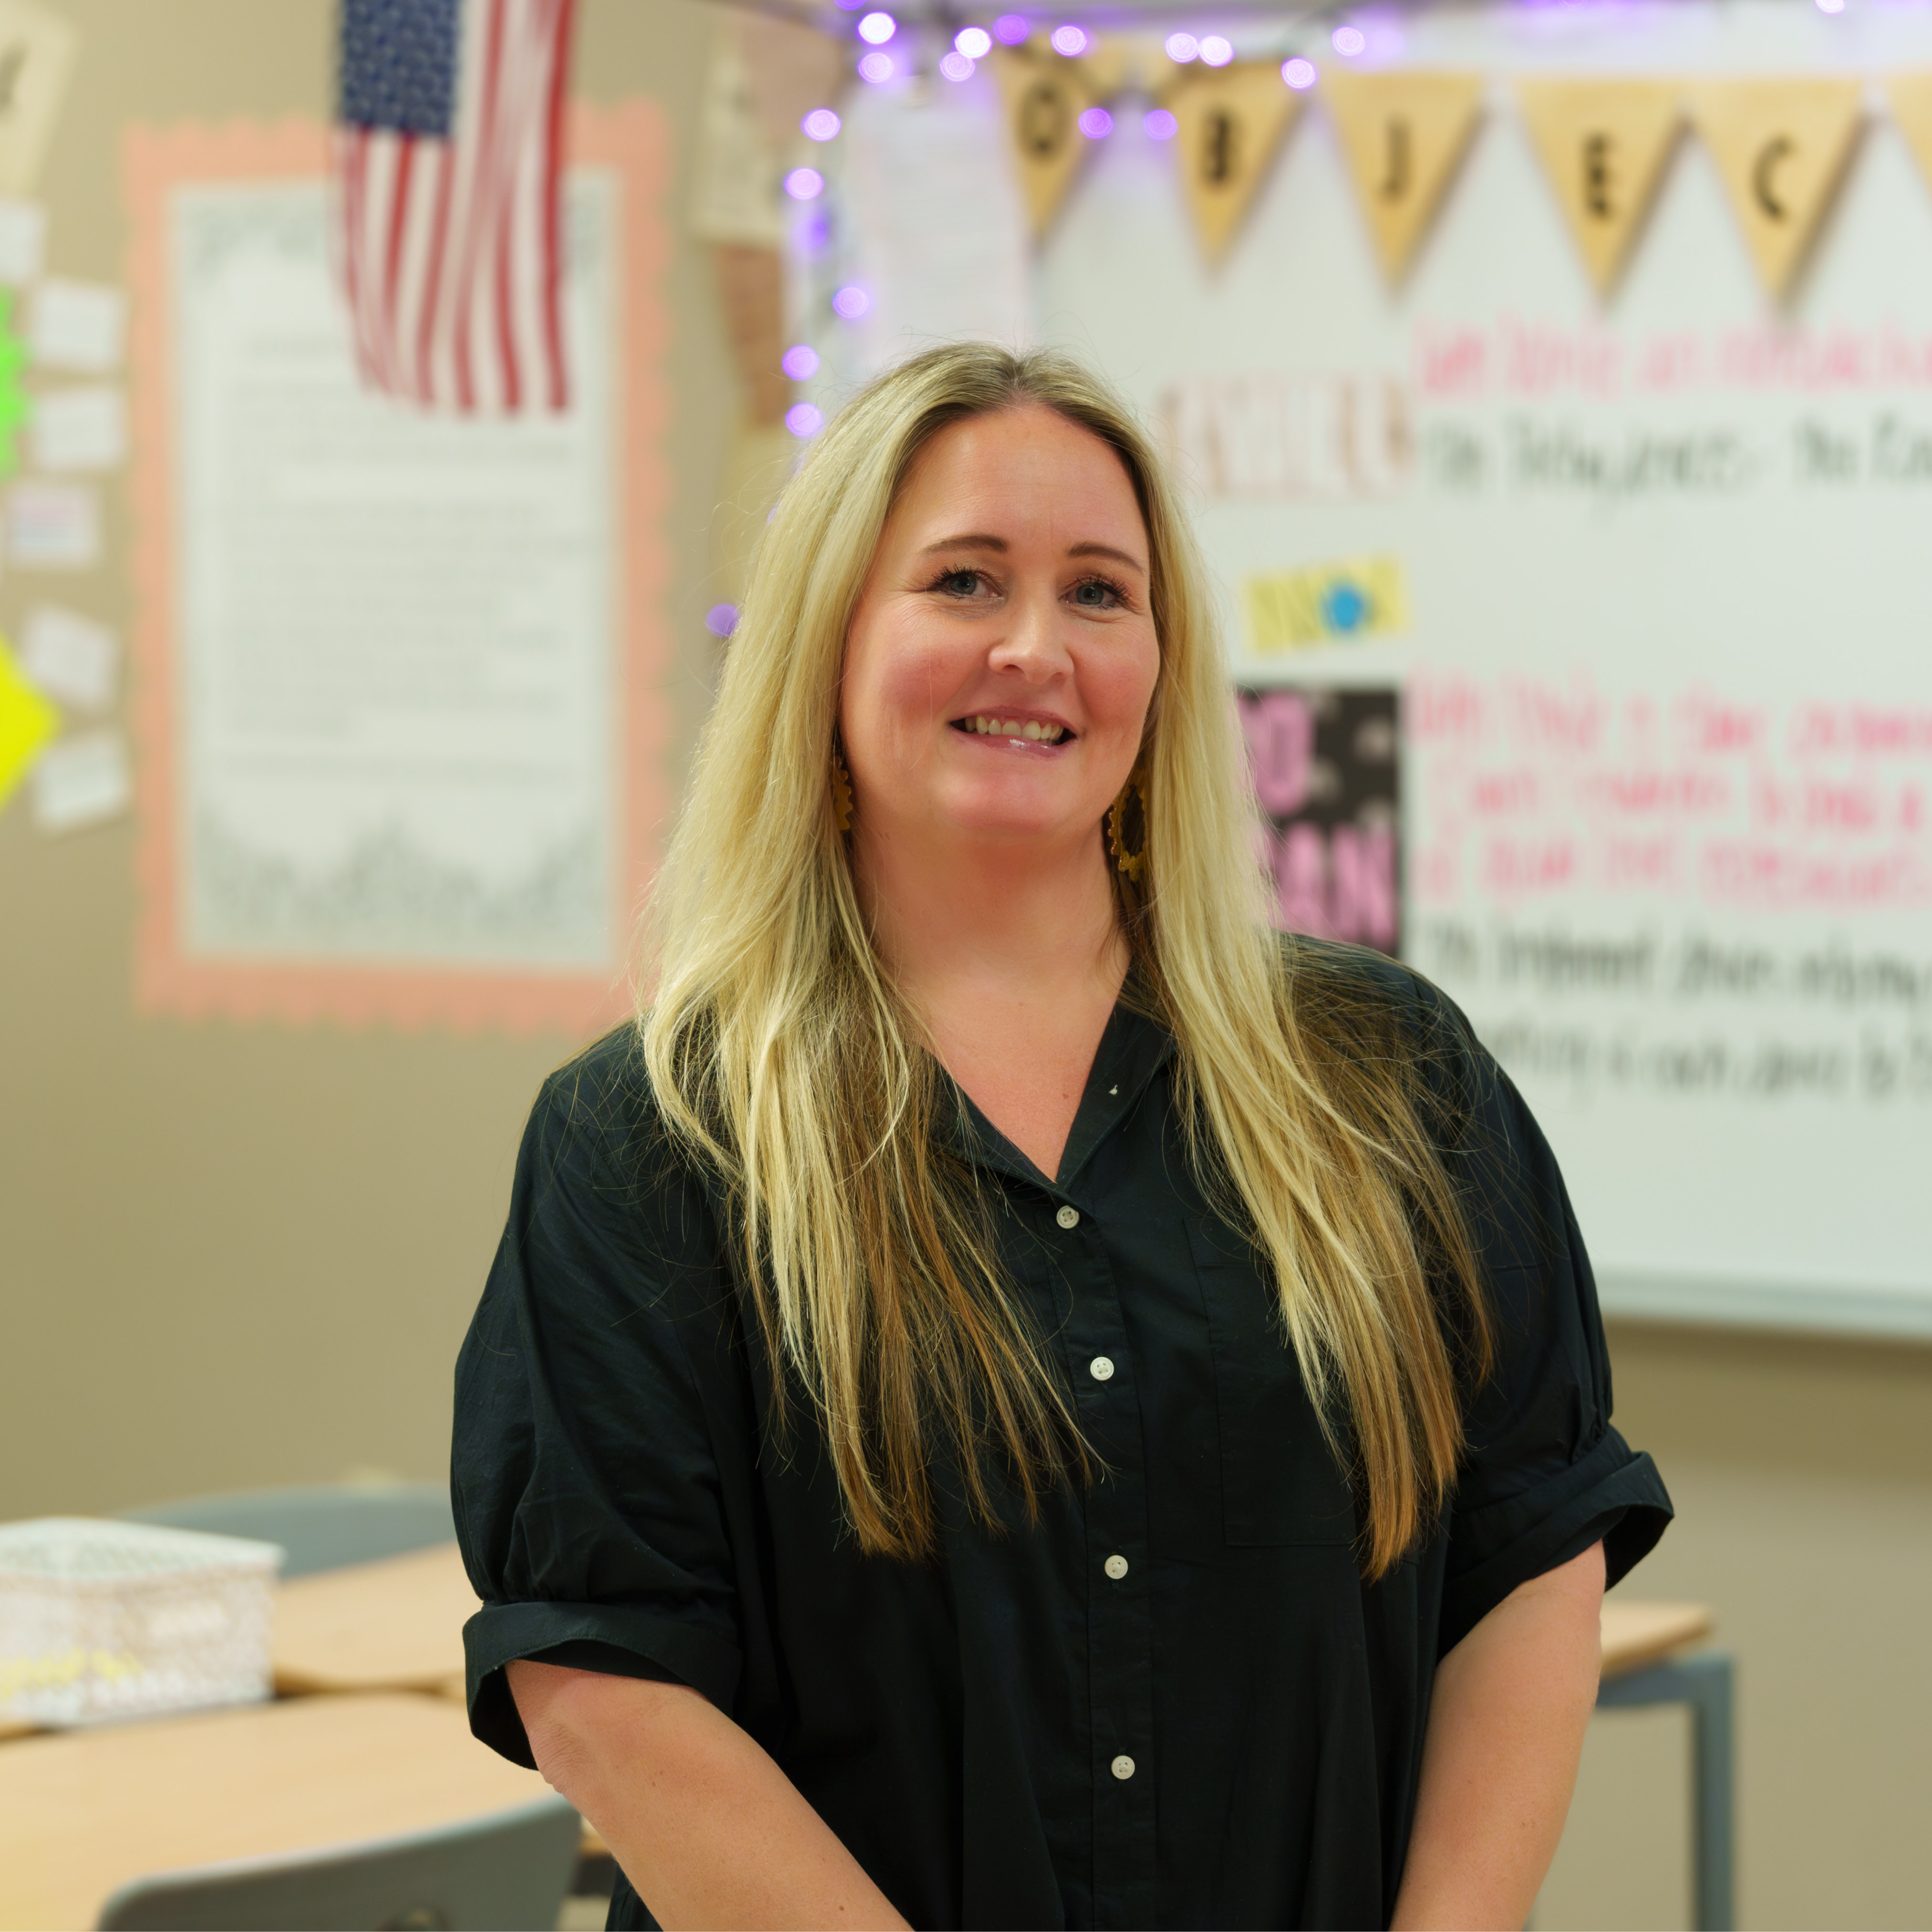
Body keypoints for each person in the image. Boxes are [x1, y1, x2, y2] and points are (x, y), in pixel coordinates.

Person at [452, 342, 1671, 1932]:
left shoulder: (1383, 1076)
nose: (1037, 648)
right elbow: (604, 1679)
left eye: (1101, 594)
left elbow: (1531, 1549)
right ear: (828, 639)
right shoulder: (656, 1138)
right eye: (964, 582)